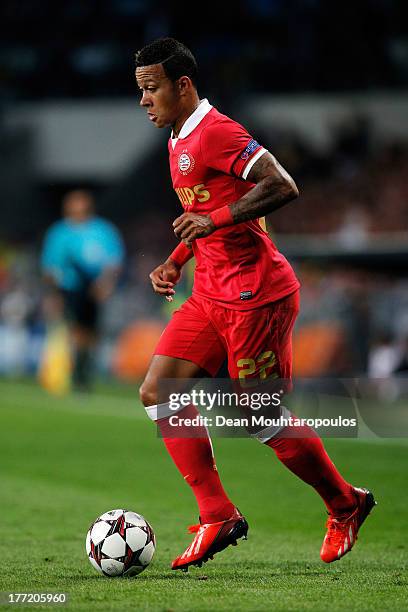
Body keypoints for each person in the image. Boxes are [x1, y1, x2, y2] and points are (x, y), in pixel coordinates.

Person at [135, 38, 375, 571]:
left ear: (183, 85)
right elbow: (205, 208)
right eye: (140, 91)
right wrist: (177, 258)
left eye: (151, 90)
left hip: (255, 295)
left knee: (258, 414)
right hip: (209, 292)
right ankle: (217, 514)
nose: (144, 101)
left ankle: (346, 503)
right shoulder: (176, 136)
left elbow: (283, 185)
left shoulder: (218, 132)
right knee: (158, 391)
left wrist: (213, 224)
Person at [41, 190, 125, 390]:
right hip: (69, 286)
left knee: (92, 331)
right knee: (75, 330)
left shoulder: (103, 230)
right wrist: (53, 294)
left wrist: (106, 284)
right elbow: (50, 265)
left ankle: (85, 369)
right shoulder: (59, 232)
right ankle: (77, 374)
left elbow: (114, 261)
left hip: (95, 287)